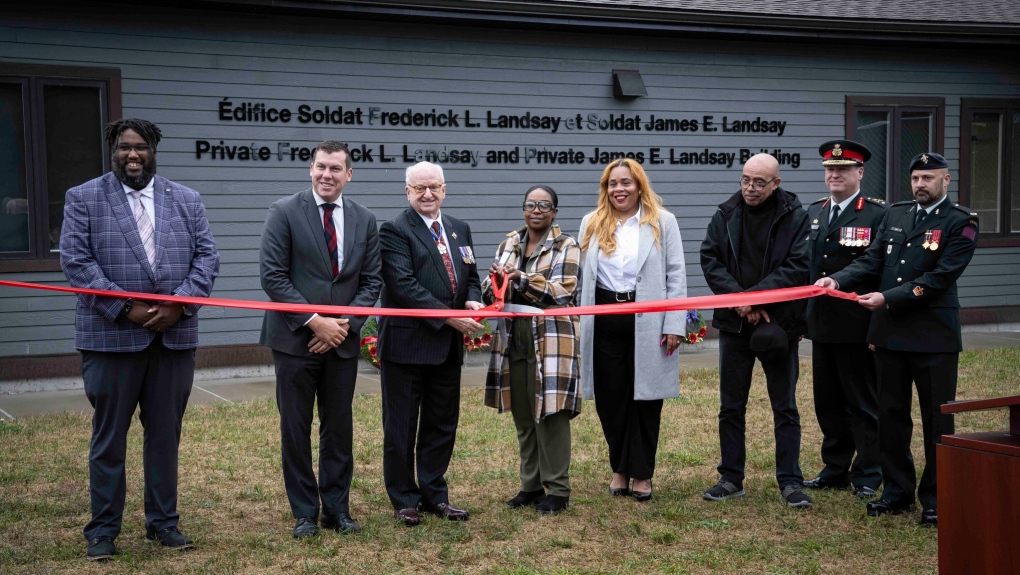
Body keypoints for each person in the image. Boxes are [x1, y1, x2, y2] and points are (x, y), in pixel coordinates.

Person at [59, 118, 219, 561]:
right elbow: (76, 261)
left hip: (174, 339)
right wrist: (123, 307)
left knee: (165, 436)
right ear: (113, 150)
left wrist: (180, 305)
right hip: (110, 338)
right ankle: (103, 530)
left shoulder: (186, 199)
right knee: (109, 439)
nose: (133, 155)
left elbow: (207, 256)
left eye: (141, 147)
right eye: (125, 147)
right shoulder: (85, 198)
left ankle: (163, 523)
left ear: (153, 150)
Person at [818, 152, 979, 527]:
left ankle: (937, 498)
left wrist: (888, 298)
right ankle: (896, 492)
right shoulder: (896, 214)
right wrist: (837, 279)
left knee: (937, 422)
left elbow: (940, 278)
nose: (921, 184)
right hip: (889, 336)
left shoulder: (961, 222)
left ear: (946, 181)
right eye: (916, 178)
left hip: (933, 337)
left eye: (928, 178)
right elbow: (871, 261)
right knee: (891, 417)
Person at [259, 140, 383, 538]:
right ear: (310, 169)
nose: (326, 175)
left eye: (335, 169)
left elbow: (371, 281)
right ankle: (304, 514)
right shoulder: (284, 211)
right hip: (295, 341)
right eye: (320, 167)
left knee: (338, 429)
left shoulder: (365, 219)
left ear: (350, 174)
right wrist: (315, 321)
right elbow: (273, 277)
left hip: (341, 342)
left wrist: (341, 324)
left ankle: (336, 509)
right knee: (295, 429)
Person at [699, 153, 812, 509]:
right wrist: (741, 301)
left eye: (759, 182)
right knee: (731, 405)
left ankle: (790, 481)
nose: (750, 187)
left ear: (776, 183)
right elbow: (710, 259)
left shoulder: (795, 216)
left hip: (778, 325)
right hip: (735, 324)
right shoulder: (725, 214)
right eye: (746, 180)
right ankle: (731, 477)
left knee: (785, 407)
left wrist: (757, 300)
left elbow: (799, 266)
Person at [377, 161, 484, 526]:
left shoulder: (458, 228)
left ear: (444, 189)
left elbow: (471, 275)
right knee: (401, 426)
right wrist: (449, 317)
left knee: (442, 423)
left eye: (433, 187)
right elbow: (403, 286)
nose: (427, 194)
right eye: (419, 188)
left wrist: (472, 299)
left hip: (446, 349)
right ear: (407, 192)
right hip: (407, 346)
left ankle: (436, 494)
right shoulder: (393, 230)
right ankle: (405, 499)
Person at [577, 158, 687, 502]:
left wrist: (674, 323)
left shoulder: (662, 222)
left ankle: (641, 474)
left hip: (649, 318)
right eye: (612, 184)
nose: (619, 189)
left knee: (645, 399)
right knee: (611, 399)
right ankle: (619, 469)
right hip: (605, 318)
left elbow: (676, 274)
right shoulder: (591, 223)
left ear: (639, 186)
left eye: (626, 183)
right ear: (605, 189)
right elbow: (582, 275)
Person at [483, 185, 581, 516]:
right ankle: (531, 485)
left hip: (552, 339)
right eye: (530, 204)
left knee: (550, 413)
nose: (536, 210)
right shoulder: (509, 242)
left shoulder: (567, 245)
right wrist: (493, 283)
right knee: (524, 414)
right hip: (514, 338)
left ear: (555, 211)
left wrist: (521, 279)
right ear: (523, 209)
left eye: (544, 205)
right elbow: (492, 290)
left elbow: (562, 292)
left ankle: (558, 489)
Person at [804, 140, 887, 499]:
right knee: (828, 402)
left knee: (862, 403)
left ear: (860, 173)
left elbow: (873, 263)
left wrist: (838, 282)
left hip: (857, 324)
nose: (834, 174)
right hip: (822, 325)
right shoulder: (815, 212)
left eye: (842, 169)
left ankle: (869, 472)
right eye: (829, 169)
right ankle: (835, 468)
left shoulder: (878, 215)